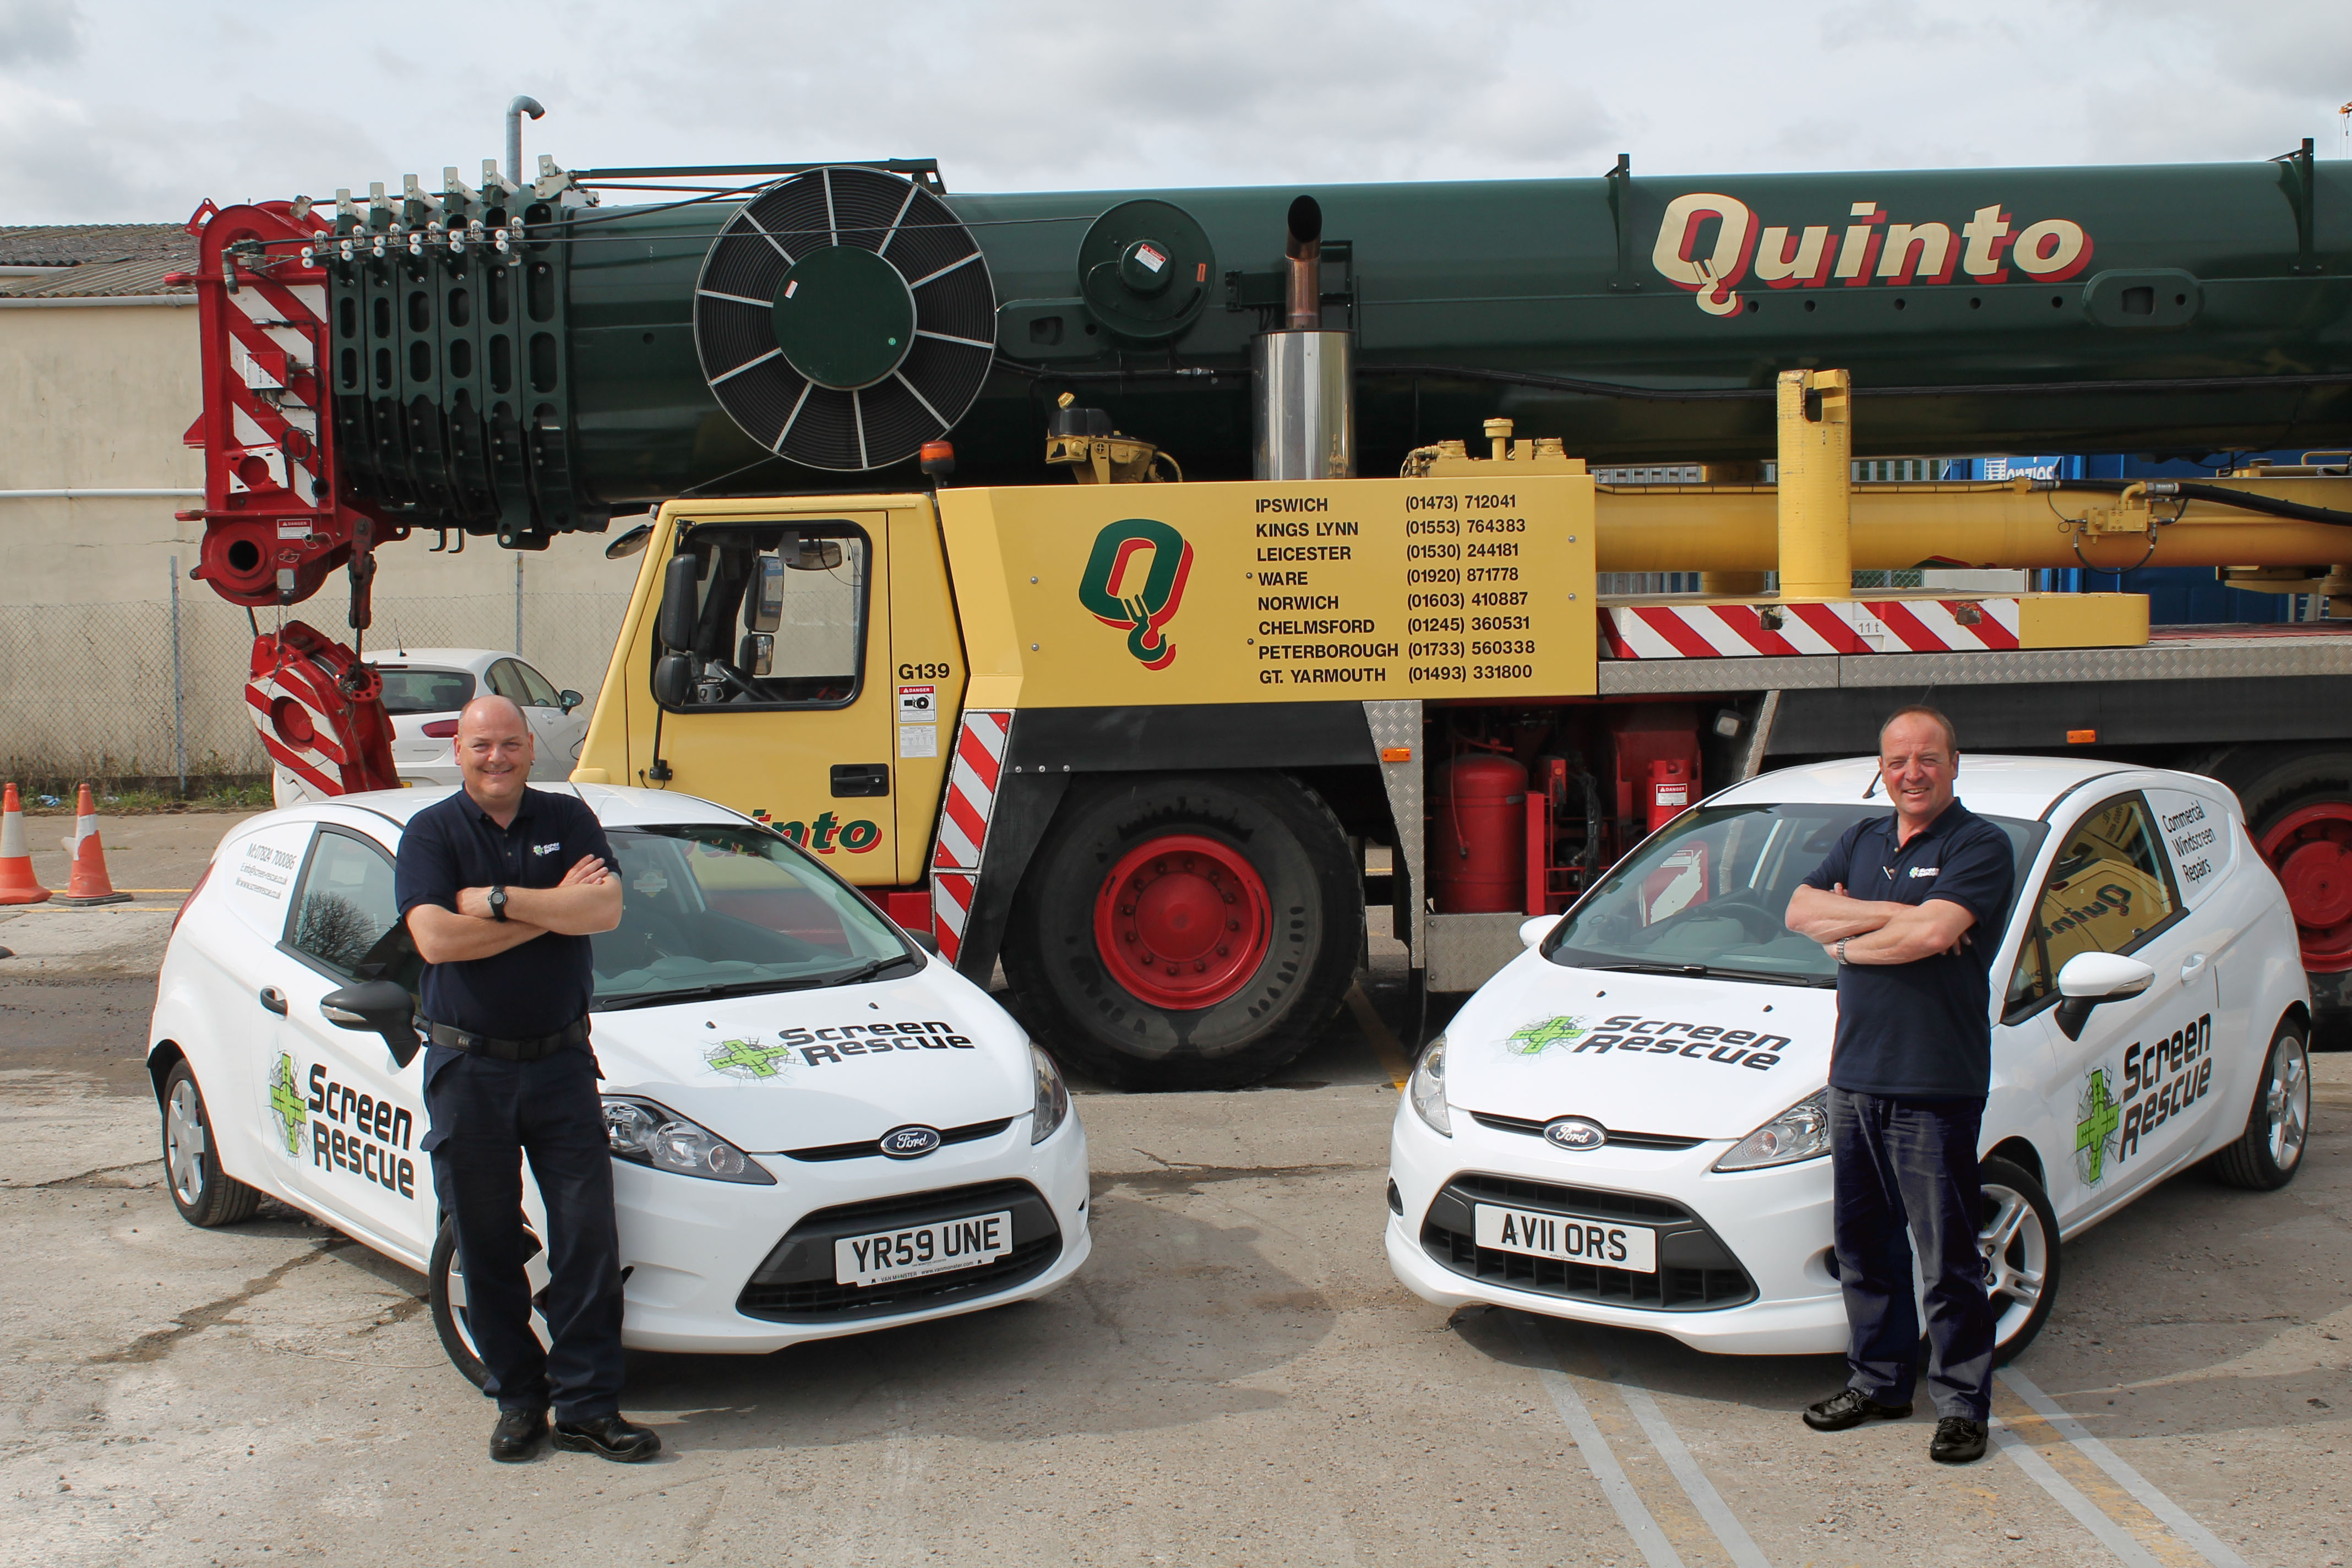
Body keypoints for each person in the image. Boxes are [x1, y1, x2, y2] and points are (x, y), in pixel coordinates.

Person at [395, 694, 657, 1464]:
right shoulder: (432, 833)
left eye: (510, 743)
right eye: (482, 746)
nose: (497, 758)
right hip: (468, 1068)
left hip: (560, 1065)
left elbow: (604, 910)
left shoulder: (567, 818)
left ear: (530, 747)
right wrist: (552, 910)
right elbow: (436, 939)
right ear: (459, 752)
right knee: (486, 1242)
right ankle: (518, 1399)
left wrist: (498, 902)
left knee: (586, 1240)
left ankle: (587, 1408)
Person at [1782, 705, 2016, 1465]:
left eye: (1927, 758)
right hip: (1855, 1077)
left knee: (1948, 1258)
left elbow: (1936, 934)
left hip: (1934, 1082)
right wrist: (1894, 916)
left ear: (1954, 764)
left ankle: (1963, 1407)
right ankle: (1880, 1383)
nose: (1912, 773)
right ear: (1881, 770)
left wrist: (1851, 937)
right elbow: (1799, 911)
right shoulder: (1863, 839)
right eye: (1897, 761)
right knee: (1865, 1246)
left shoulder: (1980, 844)